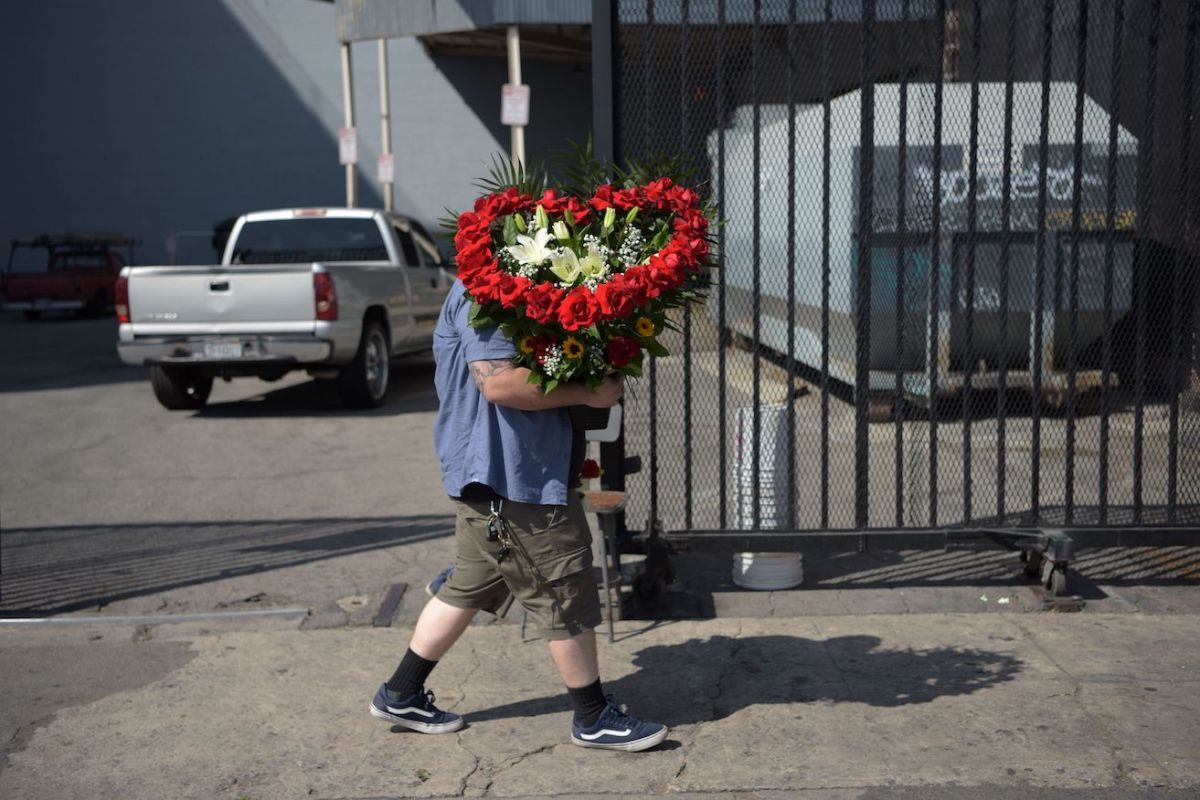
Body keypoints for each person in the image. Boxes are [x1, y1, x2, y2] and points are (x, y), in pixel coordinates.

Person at [368, 280, 667, 752]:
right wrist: (587, 391)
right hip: (510, 479)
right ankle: (592, 718)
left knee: (469, 583)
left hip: (500, 476)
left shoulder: (516, 283)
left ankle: (402, 693)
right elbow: (499, 383)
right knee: (563, 589)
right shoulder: (486, 291)